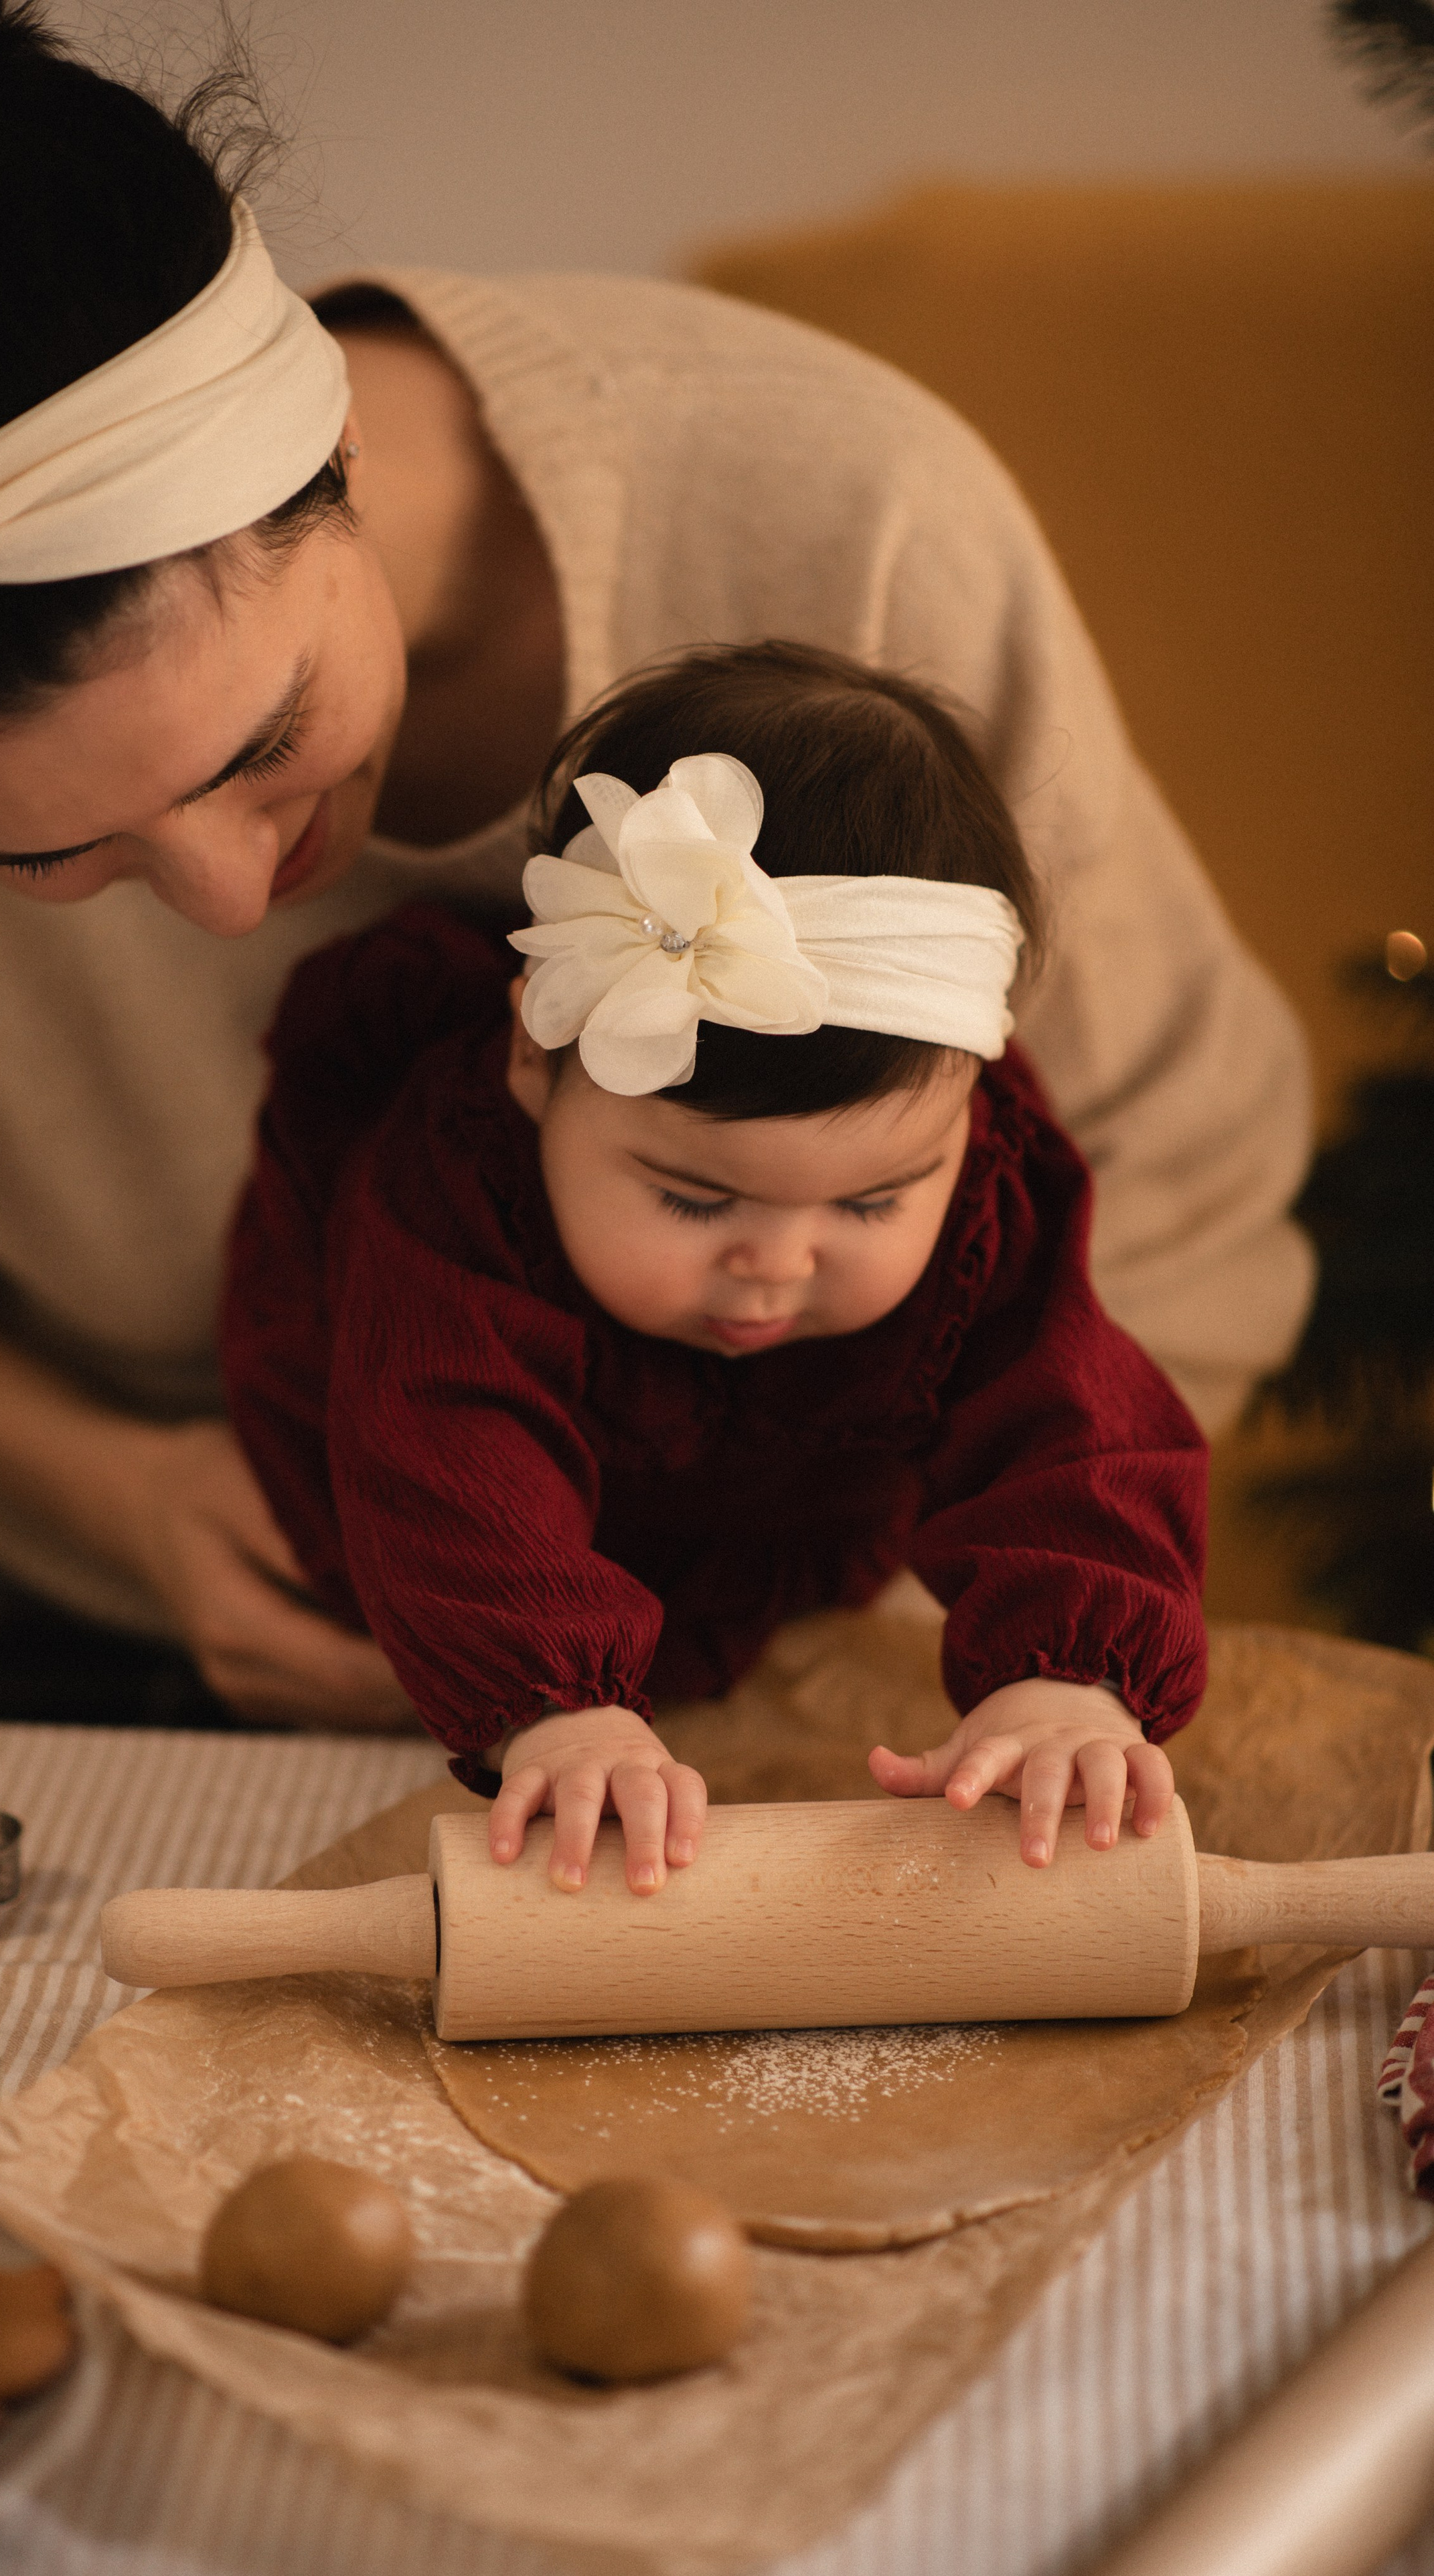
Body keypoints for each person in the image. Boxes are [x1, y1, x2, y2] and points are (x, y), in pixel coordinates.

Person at [0, 0, 1307, 1730]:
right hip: (101, 1581)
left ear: (335, 446)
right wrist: (122, 1497)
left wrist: (956, 1641)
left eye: (265, 738)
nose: (234, 908)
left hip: (841, 1602)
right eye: (39, 854)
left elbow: (1168, 1180)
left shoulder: (854, 523)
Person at [223, 644, 1205, 1886]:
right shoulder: (456, 1179)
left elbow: (1073, 1419)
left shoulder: (989, 1179)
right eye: (695, 1196)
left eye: (873, 1199)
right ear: (532, 1059)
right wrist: (553, 1707)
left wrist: (1069, 1677)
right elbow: (444, 1443)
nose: (776, 1266)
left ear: (966, 1105)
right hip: (431, 1587)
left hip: (781, 1545)